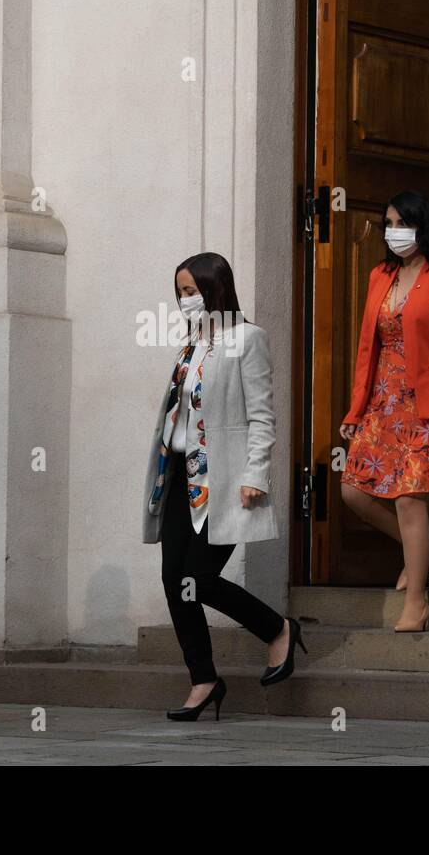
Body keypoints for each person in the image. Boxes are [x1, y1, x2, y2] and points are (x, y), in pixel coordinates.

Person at [142, 253, 302, 721]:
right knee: (176, 581)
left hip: (224, 480)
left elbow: (261, 415)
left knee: (200, 579)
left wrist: (256, 474)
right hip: (178, 478)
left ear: (216, 289)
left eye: (192, 291)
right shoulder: (190, 344)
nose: (184, 300)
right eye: (180, 292)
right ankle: (203, 680)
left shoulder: (247, 339)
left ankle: (277, 630)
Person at [339, 191, 429, 631]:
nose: (393, 231)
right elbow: (367, 348)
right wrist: (355, 409)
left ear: (423, 225)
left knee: (410, 500)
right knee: (352, 492)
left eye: (401, 222)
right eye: (388, 223)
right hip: (383, 401)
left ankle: (416, 603)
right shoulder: (381, 274)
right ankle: (418, 554)